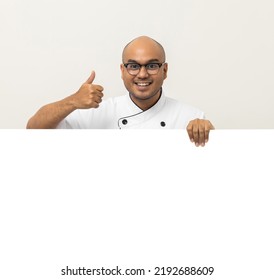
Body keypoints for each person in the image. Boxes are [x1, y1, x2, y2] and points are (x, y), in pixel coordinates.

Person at [26, 36, 214, 146]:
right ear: (122, 71)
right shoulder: (96, 113)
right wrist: (72, 101)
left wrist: (209, 134)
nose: (142, 74)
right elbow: (33, 130)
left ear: (164, 71)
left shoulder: (190, 117)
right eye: (133, 66)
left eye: (152, 65)